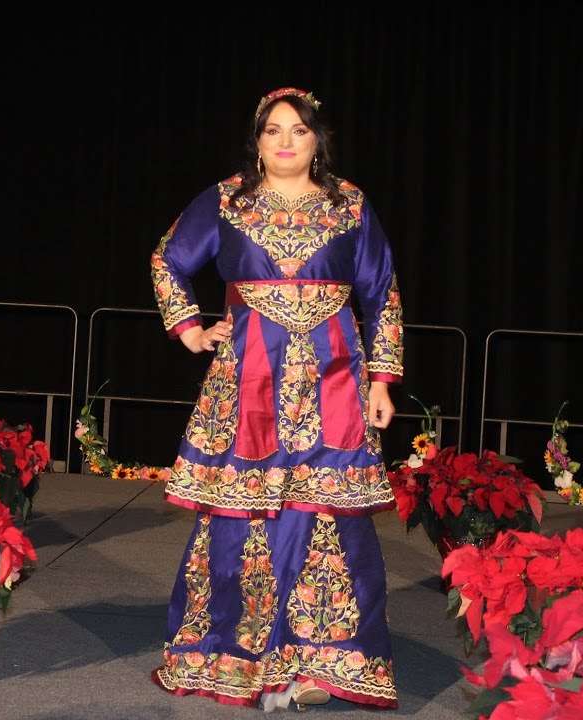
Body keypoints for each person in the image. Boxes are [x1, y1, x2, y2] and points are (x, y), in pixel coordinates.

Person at [148, 87, 405, 712]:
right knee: (243, 516)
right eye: (272, 130)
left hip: (335, 380)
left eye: (299, 130)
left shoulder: (350, 205)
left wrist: (381, 380)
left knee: (330, 517)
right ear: (256, 141)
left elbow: (383, 292)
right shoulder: (227, 201)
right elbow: (167, 260)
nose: (286, 141)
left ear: (319, 140)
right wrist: (188, 328)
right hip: (247, 384)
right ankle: (233, 654)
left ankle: (326, 663)